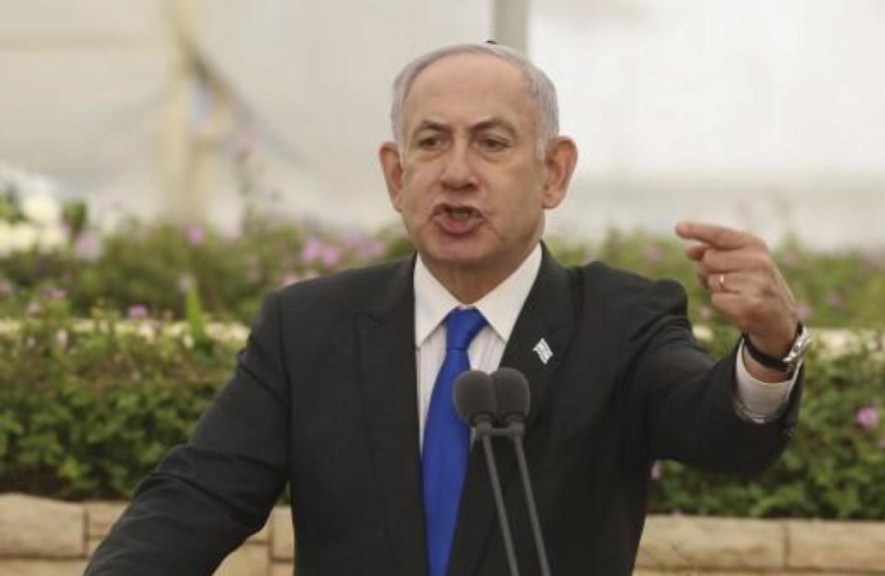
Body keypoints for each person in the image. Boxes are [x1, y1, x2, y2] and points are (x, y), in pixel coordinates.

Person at [86, 43, 809, 575]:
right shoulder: (310, 329)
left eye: (491, 143)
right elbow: (199, 496)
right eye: (431, 143)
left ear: (553, 172)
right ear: (396, 175)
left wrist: (769, 350)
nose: (457, 173)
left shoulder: (618, 322)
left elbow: (721, 431)